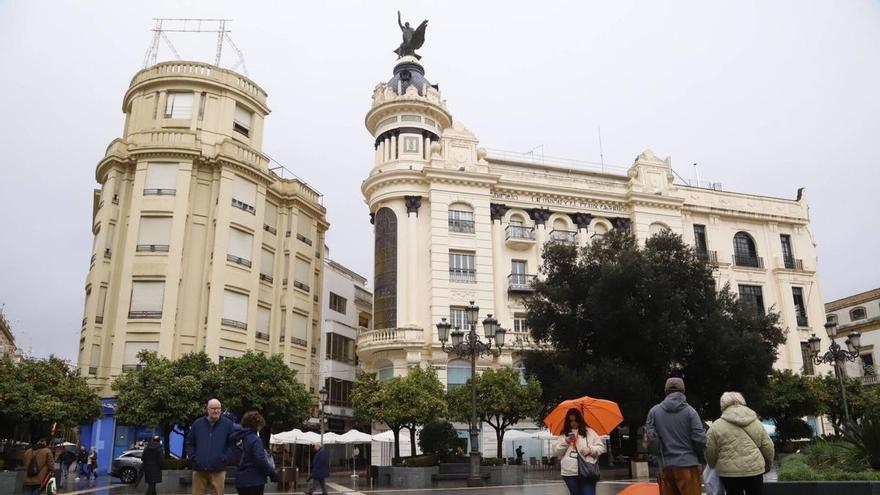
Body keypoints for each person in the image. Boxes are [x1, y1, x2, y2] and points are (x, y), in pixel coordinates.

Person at [645, 377, 707, 495]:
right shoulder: (690, 412)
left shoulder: (654, 412)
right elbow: (700, 439)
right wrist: (700, 458)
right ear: (683, 391)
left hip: (665, 467)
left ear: (665, 391)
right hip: (688, 465)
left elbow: (649, 440)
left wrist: (656, 459)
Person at [705, 392, 774, 495]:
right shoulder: (756, 423)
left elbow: (709, 450)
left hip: (729, 473)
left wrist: (712, 464)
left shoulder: (716, 426)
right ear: (742, 402)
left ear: (722, 405)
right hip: (754, 470)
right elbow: (768, 447)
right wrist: (768, 465)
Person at [185, 398, 235, 495]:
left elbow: (232, 444)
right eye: (213, 408)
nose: (215, 411)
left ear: (221, 409)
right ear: (207, 409)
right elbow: (189, 443)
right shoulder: (197, 424)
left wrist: (224, 458)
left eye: (218, 408)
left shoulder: (228, 425)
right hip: (199, 468)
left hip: (218, 468)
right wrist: (193, 457)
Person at [553, 408, 606, 495]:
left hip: (588, 469)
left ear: (580, 420)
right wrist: (566, 442)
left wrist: (590, 449)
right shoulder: (564, 434)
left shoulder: (590, 432)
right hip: (570, 471)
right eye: (570, 421)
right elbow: (556, 452)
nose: (573, 423)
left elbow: (601, 447)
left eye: (575, 420)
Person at [230, 411, 278, 495]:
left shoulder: (237, 438)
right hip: (255, 479)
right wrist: (272, 473)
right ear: (256, 425)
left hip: (240, 479)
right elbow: (260, 459)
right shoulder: (255, 439)